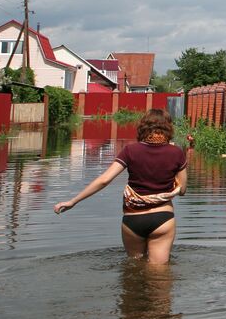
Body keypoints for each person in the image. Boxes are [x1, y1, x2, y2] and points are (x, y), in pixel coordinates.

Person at [54, 109, 189, 264]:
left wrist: (73, 201)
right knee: (159, 274)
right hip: (163, 218)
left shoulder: (130, 151)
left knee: (133, 267)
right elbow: (183, 190)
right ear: (168, 128)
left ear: (142, 127)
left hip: (133, 219)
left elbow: (104, 180)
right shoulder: (176, 153)